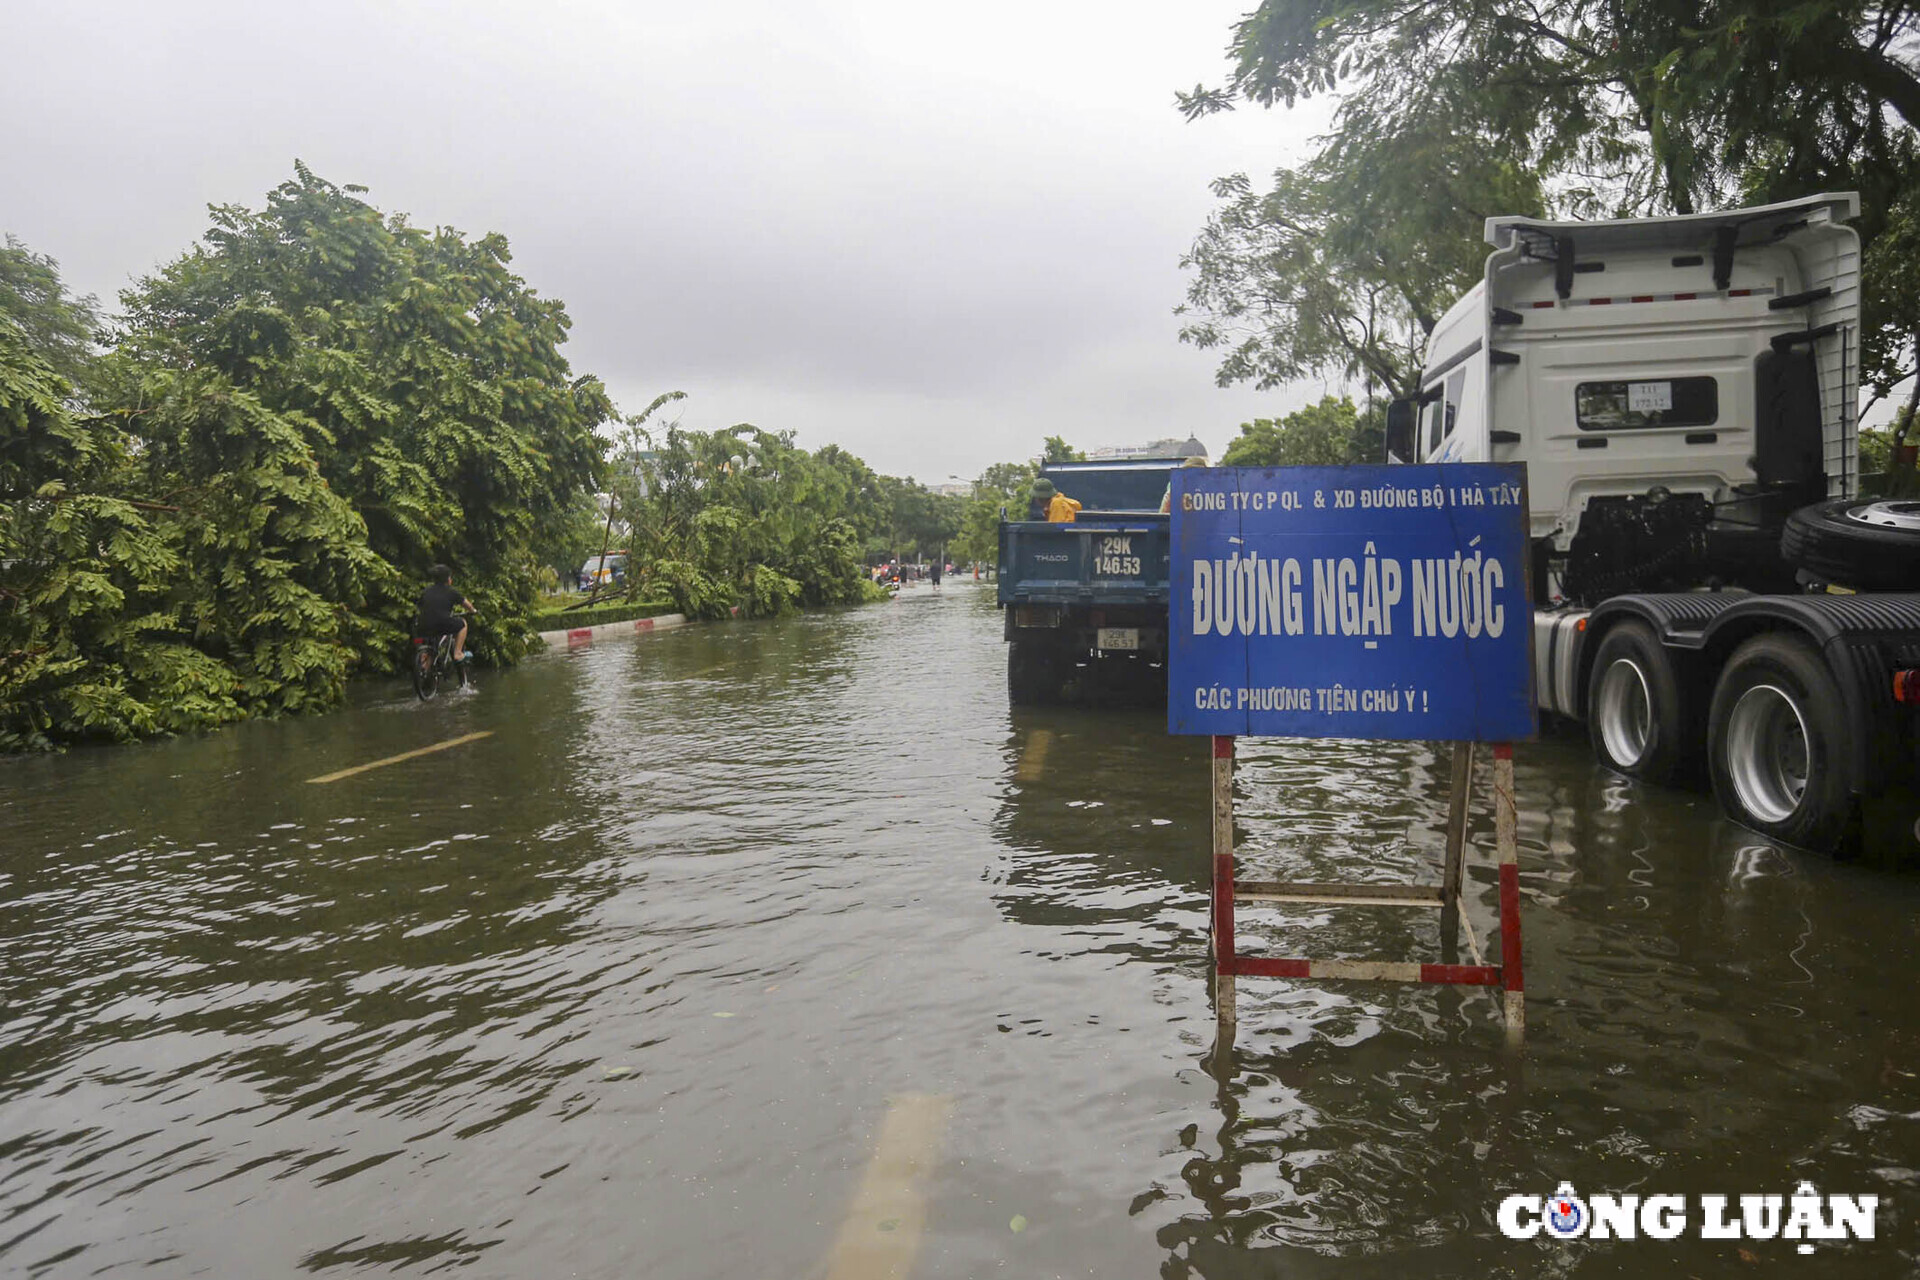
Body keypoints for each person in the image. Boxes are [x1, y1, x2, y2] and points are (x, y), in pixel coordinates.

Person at [414, 564, 474, 663]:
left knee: (429, 648)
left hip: (422, 625)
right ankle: (458, 653)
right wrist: (473, 611)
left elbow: (420, 605)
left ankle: (424, 670)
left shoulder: (426, 591)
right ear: (447, 579)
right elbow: (468, 605)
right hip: (442, 623)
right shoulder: (451, 592)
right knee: (463, 624)